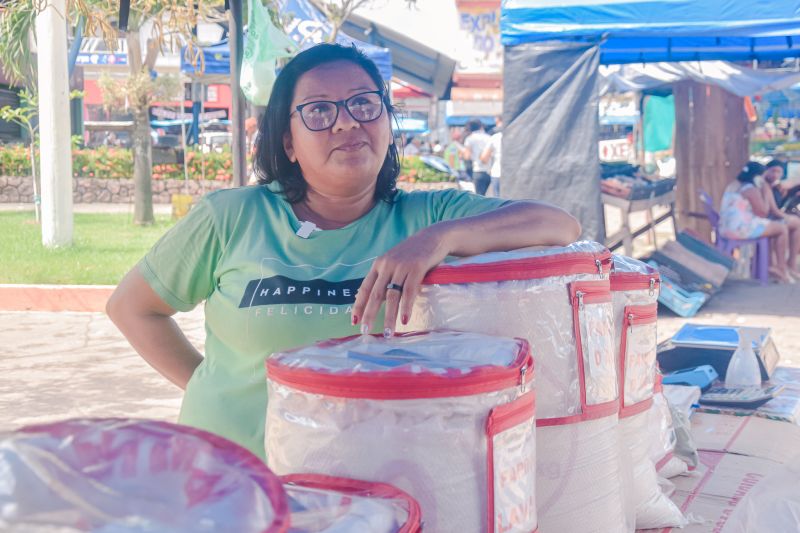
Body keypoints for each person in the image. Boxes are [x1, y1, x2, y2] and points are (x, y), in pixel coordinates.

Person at [105, 43, 581, 459]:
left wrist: (439, 239)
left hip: (371, 489)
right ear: (289, 142)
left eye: (364, 104)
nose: (347, 122)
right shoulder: (231, 216)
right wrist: (216, 388)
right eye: (319, 111)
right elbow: (133, 308)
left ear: (387, 124)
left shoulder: (429, 215)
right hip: (226, 477)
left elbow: (559, 224)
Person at [719, 162, 792, 283]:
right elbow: (763, 212)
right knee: (781, 229)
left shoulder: (733, 185)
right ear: (757, 177)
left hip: (726, 228)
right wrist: (766, 192)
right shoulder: (750, 189)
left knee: (772, 227)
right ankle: (780, 268)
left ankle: (771, 265)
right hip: (739, 230)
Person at [760, 159, 800, 277]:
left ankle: (789, 264)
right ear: (766, 170)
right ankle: (786, 265)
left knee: (796, 222)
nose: (775, 174)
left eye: (778, 172)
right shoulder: (764, 185)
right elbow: (773, 210)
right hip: (765, 220)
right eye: (773, 171)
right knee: (795, 224)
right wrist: (787, 217)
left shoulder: (777, 186)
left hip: (771, 218)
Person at [463, 119, 492, 195]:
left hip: (478, 170)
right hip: (490, 171)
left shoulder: (470, 139)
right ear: (481, 126)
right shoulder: (489, 137)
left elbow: (467, 156)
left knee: (479, 196)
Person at [481, 116, 503, 197]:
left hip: (497, 172)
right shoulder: (516, 136)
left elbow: (484, 158)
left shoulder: (495, 137)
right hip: (513, 173)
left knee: (499, 199)